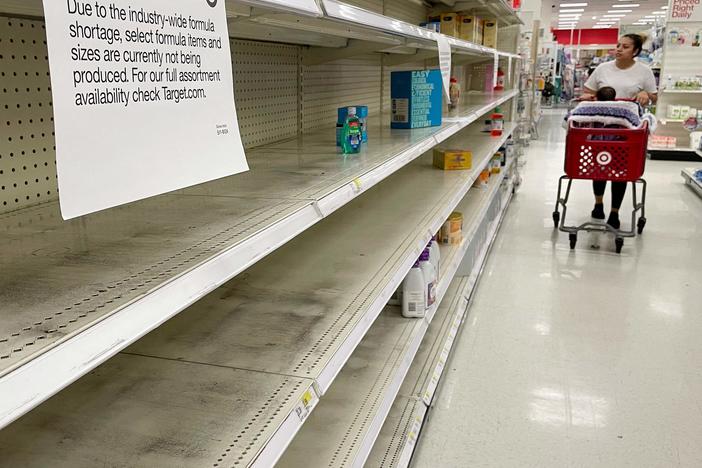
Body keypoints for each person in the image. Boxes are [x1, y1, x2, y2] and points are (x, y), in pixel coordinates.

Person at [580, 33, 657, 230]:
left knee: (621, 170)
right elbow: (587, 92)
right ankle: (598, 204)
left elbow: (654, 97)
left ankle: (614, 212)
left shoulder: (644, 72)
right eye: (618, 45)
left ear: (636, 51)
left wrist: (645, 94)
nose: (619, 49)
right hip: (600, 126)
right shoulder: (603, 69)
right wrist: (589, 98)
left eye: (625, 46)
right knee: (599, 166)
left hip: (627, 130)